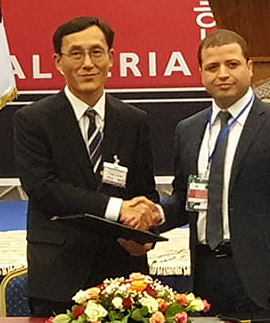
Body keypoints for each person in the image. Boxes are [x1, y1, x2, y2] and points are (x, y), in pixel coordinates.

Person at [161, 29, 270, 315]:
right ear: (201, 74)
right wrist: (151, 218)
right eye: (212, 67)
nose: (222, 74)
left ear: (250, 67)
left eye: (232, 64)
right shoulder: (187, 130)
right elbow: (185, 197)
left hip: (266, 281)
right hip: (205, 275)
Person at [14, 16, 161, 317]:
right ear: (58, 62)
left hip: (123, 274)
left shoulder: (134, 121)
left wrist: (145, 233)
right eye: (76, 54)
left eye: (96, 52)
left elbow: (144, 192)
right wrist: (117, 208)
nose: (88, 64)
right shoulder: (33, 120)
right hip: (59, 274)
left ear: (111, 58)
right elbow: (44, 189)